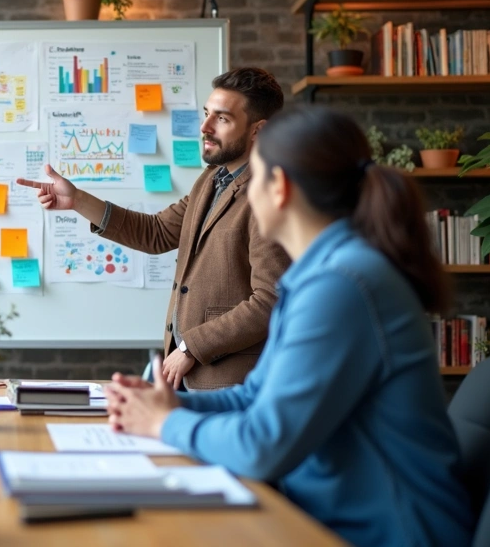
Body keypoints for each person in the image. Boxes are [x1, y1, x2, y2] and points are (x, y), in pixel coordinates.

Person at [105, 107, 474, 547]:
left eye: (252, 178)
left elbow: (263, 447)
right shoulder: (319, 277)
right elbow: (252, 397)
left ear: (278, 188)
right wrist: (168, 407)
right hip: (323, 517)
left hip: (389, 534)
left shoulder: (342, 286)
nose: (243, 192)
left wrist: (163, 425)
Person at [16, 67, 290, 390]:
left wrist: (191, 346)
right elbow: (157, 232)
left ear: (259, 131)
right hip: (191, 378)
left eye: (222, 119)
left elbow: (270, 300)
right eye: (206, 114)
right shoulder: (211, 180)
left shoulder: (268, 194)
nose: (204, 127)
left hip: (233, 383)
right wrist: (77, 201)